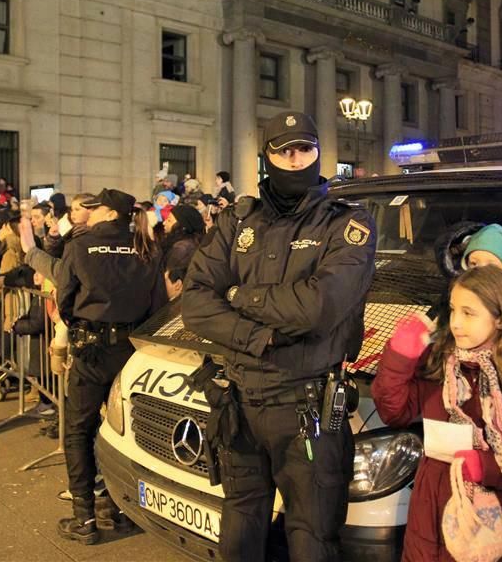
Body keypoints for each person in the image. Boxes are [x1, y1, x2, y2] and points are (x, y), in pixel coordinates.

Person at [182, 111, 377, 561]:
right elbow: (194, 301)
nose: (294, 160)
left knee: (311, 537)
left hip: (305, 405)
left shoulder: (346, 223)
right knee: (240, 530)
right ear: (267, 156)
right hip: (240, 402)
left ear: (317, 153)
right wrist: (259, 338)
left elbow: (320, 307)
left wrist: (236, 295)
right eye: (283, 150)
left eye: (304, 149)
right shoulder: (238, 221)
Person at [372, 266, 502, 561]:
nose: (456, 323)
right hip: (430, 516)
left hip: (495, 521)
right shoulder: (440, 363)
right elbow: (393, 412)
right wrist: (399, 357)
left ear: (500, 318)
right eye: (452, 311)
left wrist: (485, 467)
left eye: (469, 313)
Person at [54, 189, 166, 545]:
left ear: (107, 213)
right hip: (130, 349)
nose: (89, 213)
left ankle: (84, 517)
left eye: (95, 208)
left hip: (92, 350)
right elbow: (157, 305)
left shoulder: (81, 245)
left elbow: (65, 298)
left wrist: (80, 326)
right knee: (123, 430)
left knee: (78, 430)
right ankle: (118, 508)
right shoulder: (146, 246)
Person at [161, 203, 205, 300]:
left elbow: (171, 277)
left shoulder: (181, 248)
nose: (164, 223)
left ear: (182, 226)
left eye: (169, 220)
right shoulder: (193, 243)